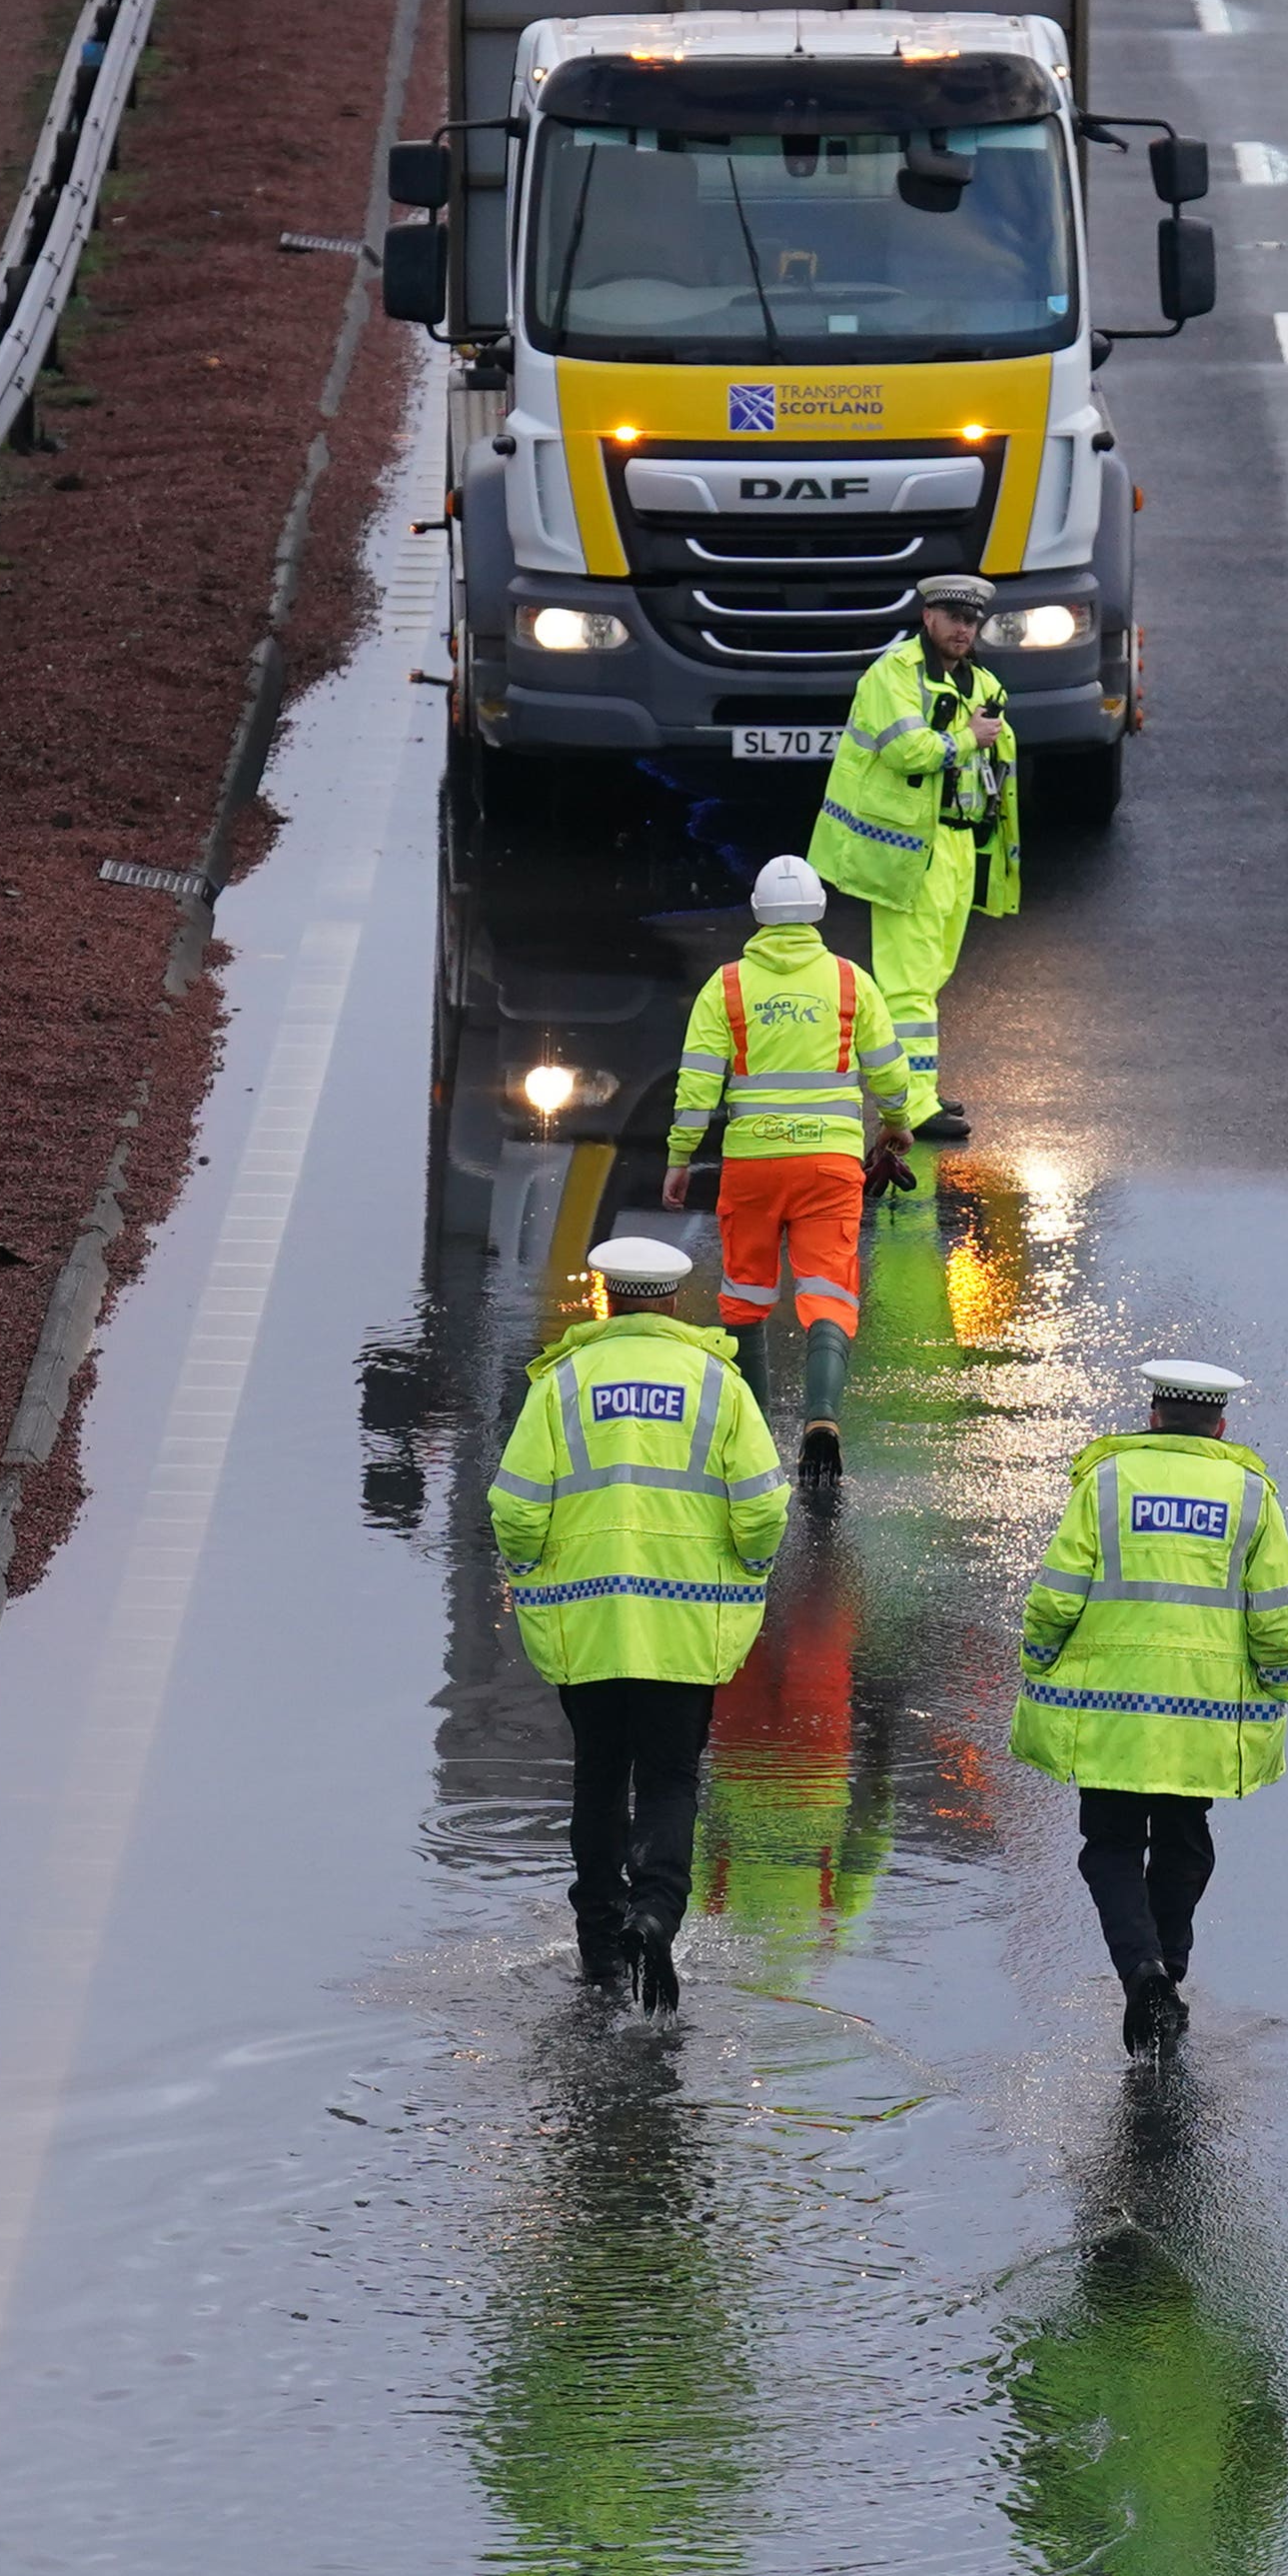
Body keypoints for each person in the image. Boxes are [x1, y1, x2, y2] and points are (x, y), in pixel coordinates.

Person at [490, 1237, 792, 2011]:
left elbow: (516, 1507)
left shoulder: (559, 1382)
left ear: (606, 1298)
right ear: (673, 1301)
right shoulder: (717, 1384)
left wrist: (530, 1575)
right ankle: (655, 1912)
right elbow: (760, 1506)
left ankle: (597, 1942)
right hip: (685, 1625)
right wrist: (748, 1571)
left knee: (598, 1775)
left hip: (586, 1620)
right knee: (669, 1777)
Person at [1009, 1361, 1288, 2053]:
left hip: (1112, 1708)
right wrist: (1277, 1678)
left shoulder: (1108, 1481)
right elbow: (1279, 1606)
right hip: (1201, 1715)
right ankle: (1168, 1971)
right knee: (1183, 1838)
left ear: (1152, 1417)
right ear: (1219, 1427)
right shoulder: (1250, 1492)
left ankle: (1140, 1969)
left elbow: (1057, 1589)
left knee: (1110, 1844)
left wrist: (1041, 1656)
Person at [664, 854, 914, 1482]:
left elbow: (697, 1085)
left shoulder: (726, 987)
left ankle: (752, 1436)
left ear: (757, 915)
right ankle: (821, 1416)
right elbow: (886, 1066)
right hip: (828, 1165)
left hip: (752, 1165)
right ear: (819, 914)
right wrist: (896, 1121)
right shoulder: (850, 982)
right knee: (829, 1289)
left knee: (746, 1294)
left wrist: (680, 1157)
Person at [806, 573, 1017, 1145]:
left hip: (954, 844)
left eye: (971, 621)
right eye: (953, 617)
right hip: (908, 851)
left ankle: (919, 1089)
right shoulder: (893, 674)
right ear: (928, 618)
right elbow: (907, 751)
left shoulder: (979, 681)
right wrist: (968, 739)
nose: (963, 629)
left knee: (933, 973)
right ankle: (911, 1106)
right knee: (907, 982)